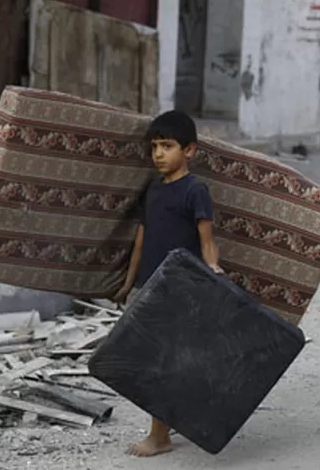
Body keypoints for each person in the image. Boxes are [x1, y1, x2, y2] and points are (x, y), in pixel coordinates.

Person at [113, 109, 223, 457]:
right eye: (154, 146)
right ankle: (168, 423)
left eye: (167, 146)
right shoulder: (153, 190)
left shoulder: (195, 191)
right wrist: (127, 283)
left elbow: (207, 240)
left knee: (162, 362)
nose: (158, 154)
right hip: (148, 286)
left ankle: (159, 435)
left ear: (189, 151)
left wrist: (213, 271)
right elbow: (141, 241)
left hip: (179, 288)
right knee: (149, 360)